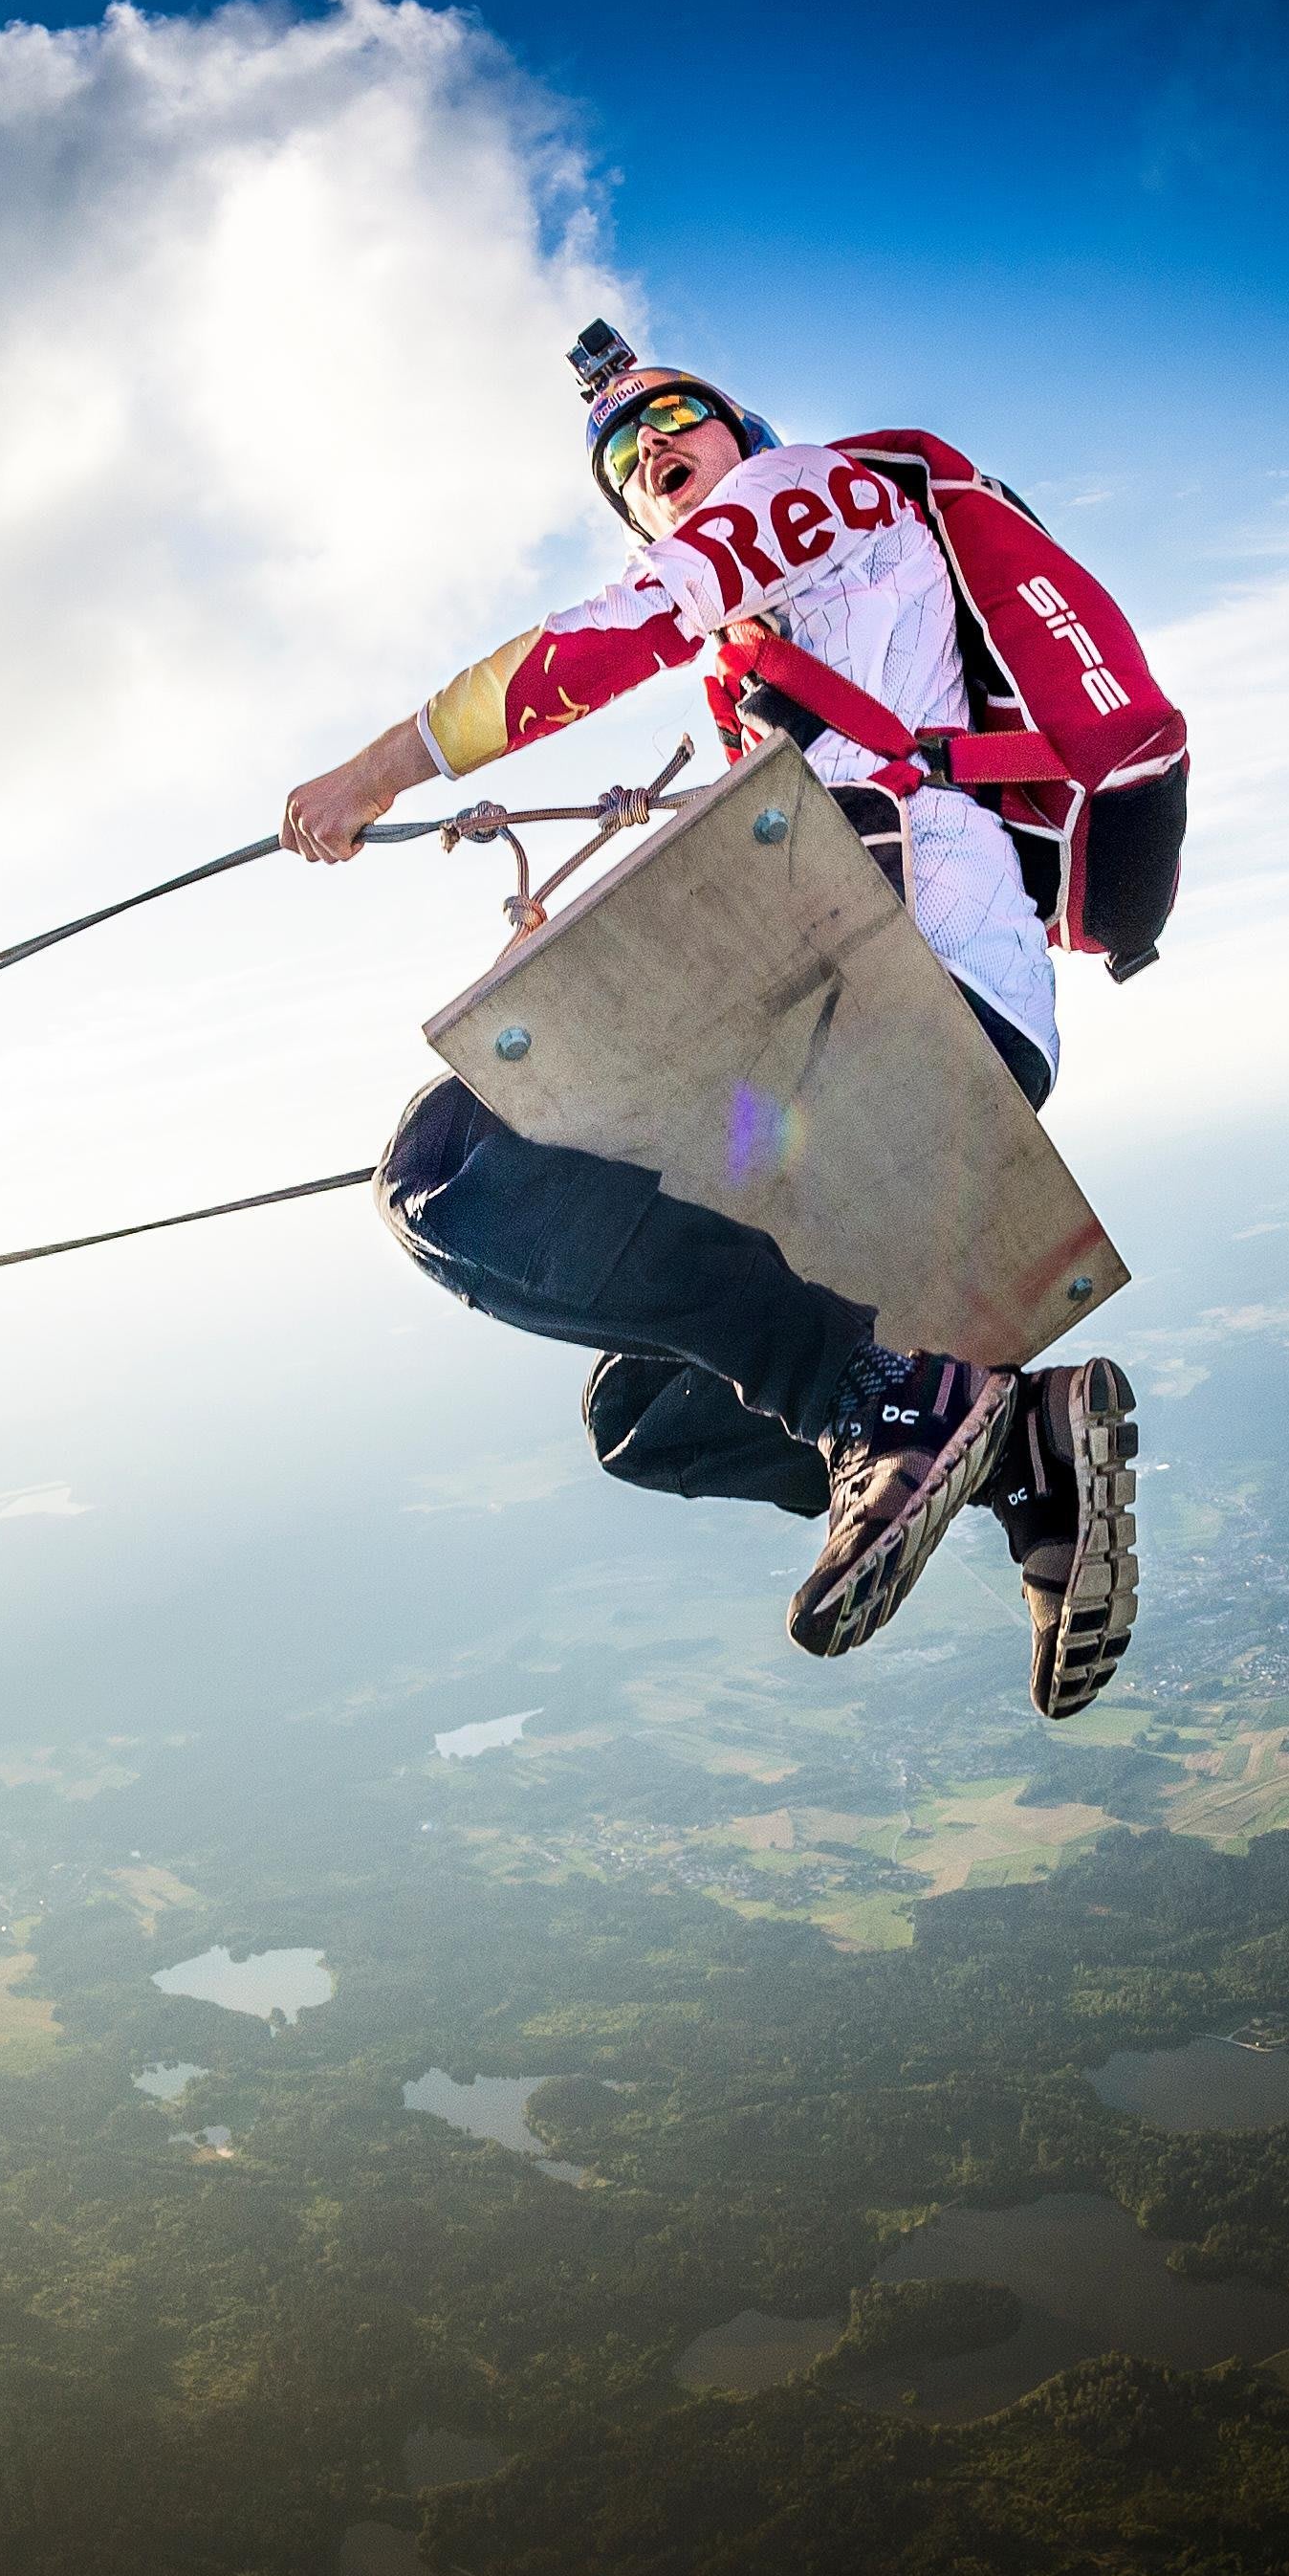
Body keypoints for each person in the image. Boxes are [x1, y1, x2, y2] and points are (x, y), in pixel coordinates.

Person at [276, 338, 1140, 1714]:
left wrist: (374, 776)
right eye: (625, 466)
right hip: (896, 1028)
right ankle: (1012, 1439)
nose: (650, 461)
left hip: (906, 986)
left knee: (450, 1167)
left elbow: (600, 643)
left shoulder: (812, 494)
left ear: (739, 431)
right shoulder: (781, 666)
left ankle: (887, 1401)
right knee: (644, 1418)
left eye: (670, 427)